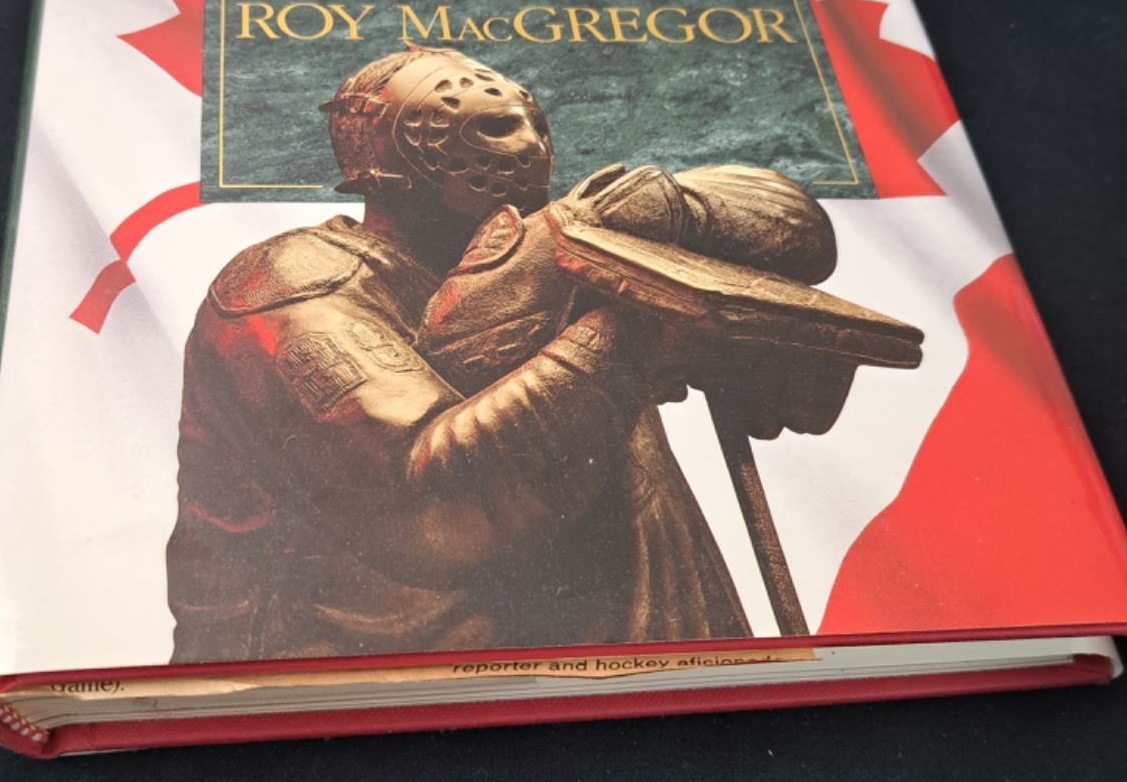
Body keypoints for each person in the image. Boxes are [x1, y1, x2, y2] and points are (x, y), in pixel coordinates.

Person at [166, 45, 837, 663]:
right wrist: (636, 335)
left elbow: (800, 228)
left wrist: (664, 210)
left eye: (530, 122)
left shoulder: (568, 241)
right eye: (485, 129)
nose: (526, 147)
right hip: (377, 697)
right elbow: (443, 511)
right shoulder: (288, 286)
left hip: (631, 664)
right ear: (389, 153)